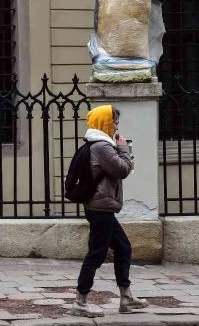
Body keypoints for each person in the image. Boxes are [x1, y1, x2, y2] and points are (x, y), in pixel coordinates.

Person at [72, 104, 149, 317]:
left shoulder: (101, 144)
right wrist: (124, 149)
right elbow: (122, 170)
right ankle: (80, 301)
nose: (116, 126)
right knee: (97, 253)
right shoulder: (101, 147)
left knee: (123, 247)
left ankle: (126, 298)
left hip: (102, 206)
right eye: (114, 122)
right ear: (104, 123)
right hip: (100, 207)